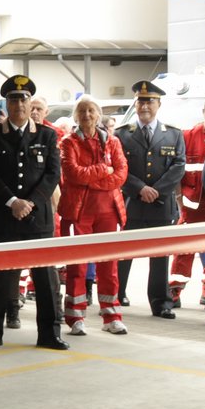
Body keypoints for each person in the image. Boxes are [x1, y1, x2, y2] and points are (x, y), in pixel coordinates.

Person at [0, 75, 67, 351]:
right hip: (3, 218)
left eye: (24, 99)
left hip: (37, 220)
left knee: (46, 281)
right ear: (7, 104)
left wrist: (30, 203)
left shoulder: (48, 135)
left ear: (31, 103)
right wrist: (12, 201)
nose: (19, 104)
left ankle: (50, 334)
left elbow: (52, 175)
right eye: (13, 99)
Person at [58, 97, 129, 336]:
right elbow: (73, 174)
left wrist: (93, 182)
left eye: (91, 110)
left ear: (98, 114)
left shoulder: (113, 141)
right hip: (79, 212)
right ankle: (75, 318)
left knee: (109, 266)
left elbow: (121, 174)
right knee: (77, 265)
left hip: (109, 210)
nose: (87, 115)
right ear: (76, 116)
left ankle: (112, 317)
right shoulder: (68, 142)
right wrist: (102, 171)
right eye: (82, 111)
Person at [115, 80, 186, 317]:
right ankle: (116, 296)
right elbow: (118, 167)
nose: (145, 106)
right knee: (124, 253)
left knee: (159, 256)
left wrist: (156, 190)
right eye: (141, 101)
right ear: (135, 104)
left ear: (159, 104)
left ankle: (160, 303)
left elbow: (179, 165)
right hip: (131, 203)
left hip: (161, 204)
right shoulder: (121, 134)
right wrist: (139, 188)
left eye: (150, 101)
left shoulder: (174, 134)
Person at [169, 96, 205, 312]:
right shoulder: (187, 136)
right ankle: (175, 289)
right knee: (184, 248)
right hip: (191, 205)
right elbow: (177, 171)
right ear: (203, 110)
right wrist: (178, 200)